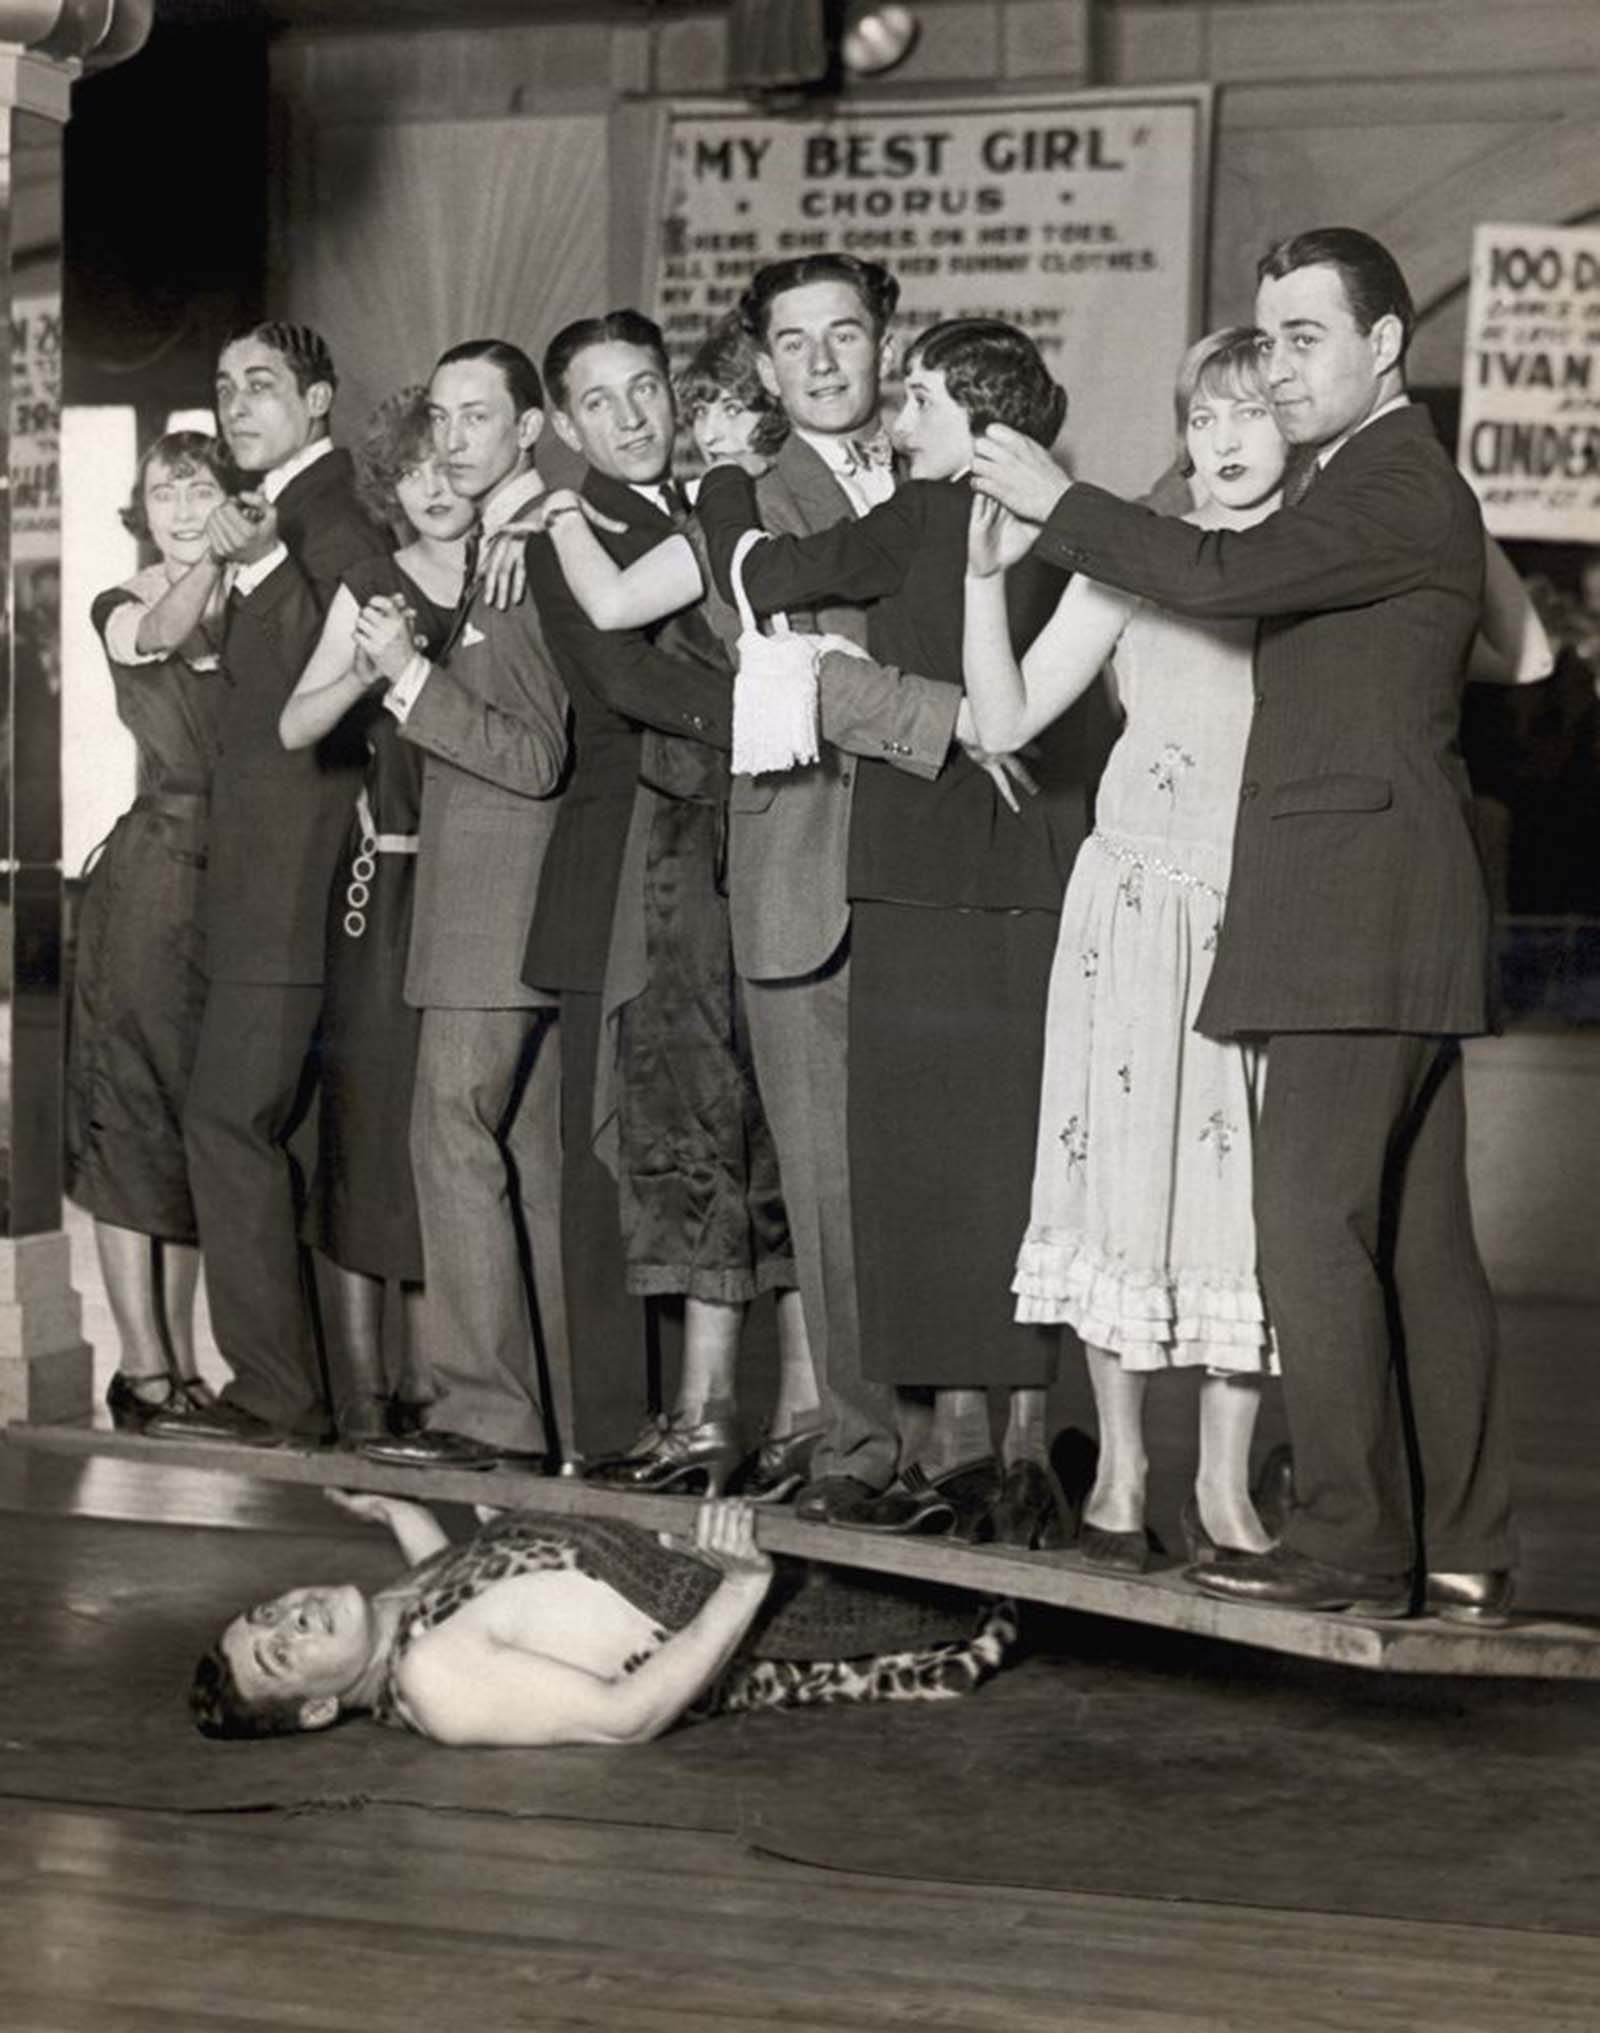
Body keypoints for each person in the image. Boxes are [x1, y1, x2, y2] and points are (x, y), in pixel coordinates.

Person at [973, 227, 1516, 1623]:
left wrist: (1060, 498)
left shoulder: (1390, 479)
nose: (1279, 371)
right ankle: (1454, 1540)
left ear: (1387, 344)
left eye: (1306, 339)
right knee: (1415, 1242)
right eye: (1264, 341)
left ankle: (1346, 1541)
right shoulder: (1373, 482)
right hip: (1389, 897)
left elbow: (1213, 580)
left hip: (1354, 899)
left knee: (1307, 1227)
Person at [693, 319, 1096, 1546]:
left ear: (978, 419)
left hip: (917, 873)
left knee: (929, 1176)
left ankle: (966, 1456)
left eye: (915, 397)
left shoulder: (917, 518)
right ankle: (1022, 1452)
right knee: (1022, 1168)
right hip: (1040, 867)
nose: (897, 419)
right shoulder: (1086, 516)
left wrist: (716, 477)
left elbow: (759, 576)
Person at [513, 310, 811, 1492]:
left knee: (779, 1120)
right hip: (677, 852)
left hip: (778, 839)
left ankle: (799, 1412)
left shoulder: (718, 506)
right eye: (602, 400)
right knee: (693, 1121)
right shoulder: (565, 531)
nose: (632, 416)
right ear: (569, 422)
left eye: (646, 388)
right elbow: (624, 678)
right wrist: (776, 714)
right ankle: (700, 1415)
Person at [166, 322, 389, 1447]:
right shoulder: (289, 512)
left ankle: (273, 1393)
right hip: (266, 872)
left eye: (263, 384)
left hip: (292, 876)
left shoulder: (330, 510)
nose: (237, 403)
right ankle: (310, 1390)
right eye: (223, 386)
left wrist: (252, 563)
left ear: (318, 400)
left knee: (225, 1118)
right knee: (269, 1132)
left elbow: (355, 657)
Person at [353, 340, 570, 1470]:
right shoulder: (509, 539)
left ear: (530, 429)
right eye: (441, 416)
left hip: (499, 909)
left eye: (477, 416)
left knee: (451, 1140)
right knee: (525, 1167)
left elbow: (534, 757)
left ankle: (486, 1414)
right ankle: (556, 1424)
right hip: (510, 912)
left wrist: (406, 676)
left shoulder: (522, 555)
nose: (452, 438)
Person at [190, 1493, 1014, 1745]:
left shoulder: (410, 1615)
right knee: (1001, 1551)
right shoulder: (429, 1678)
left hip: (712, 1540)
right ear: (321, 1707)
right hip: (771, 1599)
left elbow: (462, 1592)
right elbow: (625, 1719)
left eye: (270, 1612)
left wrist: (398, 1510)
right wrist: (743, 1585)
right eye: (280, 1654)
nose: (292, 1621)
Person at [277, 388, 473, 1445]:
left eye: (451, 464)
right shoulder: (374, 587)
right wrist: (367, 663)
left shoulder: (512, 573)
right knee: (365, 1130)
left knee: (455, 1142)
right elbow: (294, 721)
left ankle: (448, 1386)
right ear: (391, 491)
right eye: (414, 474)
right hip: (385, 892)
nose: (437, 489)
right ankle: (363, 1398)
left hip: (491, 886)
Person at [66, 431, 235, 1433]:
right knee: (131, 1119)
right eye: (163, 493)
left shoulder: (253, 599)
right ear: (141, 506)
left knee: (194, 1123)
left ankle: (183, 1366)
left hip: (236, 881)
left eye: (199, 490)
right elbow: (159, 640)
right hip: (151, 885)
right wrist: (214, 551)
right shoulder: (122, 602)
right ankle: (142, 1370)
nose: (179, 507)